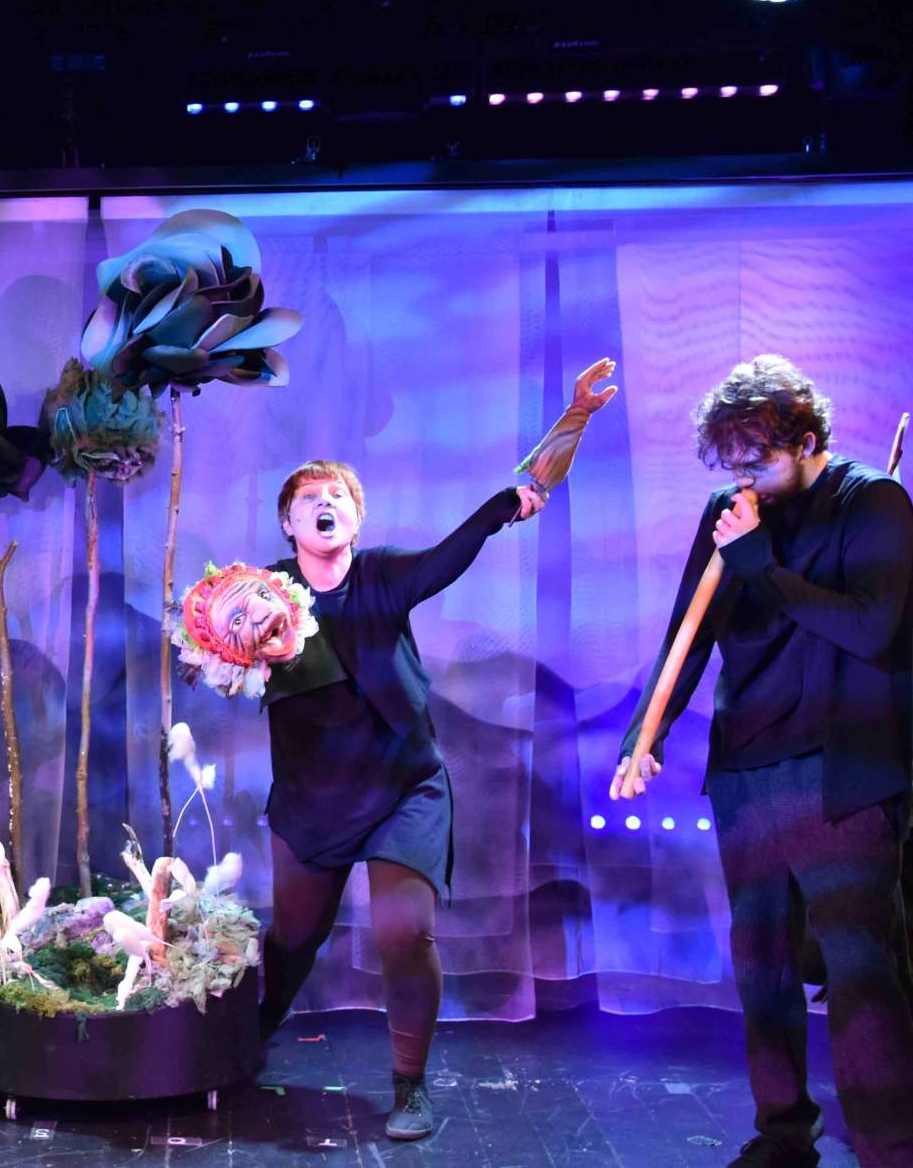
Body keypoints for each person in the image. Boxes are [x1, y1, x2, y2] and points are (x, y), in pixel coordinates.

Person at [616, 354, 913, 1168]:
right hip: (748, 771)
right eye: (731, 465)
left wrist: (763, 569)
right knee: (763, 970)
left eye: (757, 461)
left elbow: (872, 629)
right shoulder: (731, 510)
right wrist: (645, 733)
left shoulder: (872, 501)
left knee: (860, 970)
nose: (742, 479)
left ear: (807, 441)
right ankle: (783, 1134)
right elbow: (691, 628)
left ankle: (891, 1147)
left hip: (843, 772)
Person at [258, 458, 546, 1141]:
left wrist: (502, 506)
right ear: (288, 523)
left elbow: (443, 561)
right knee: (295, 935)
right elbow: (214, 642)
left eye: (338, 496)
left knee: (403, 930)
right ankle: (252, 1029)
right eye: (309, 497)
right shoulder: (265, 592)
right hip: (313, 798)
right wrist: (227, 646)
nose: (326, 503)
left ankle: (410, 1084)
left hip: (403, 786)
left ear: (356, 518)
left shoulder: (382, 574)